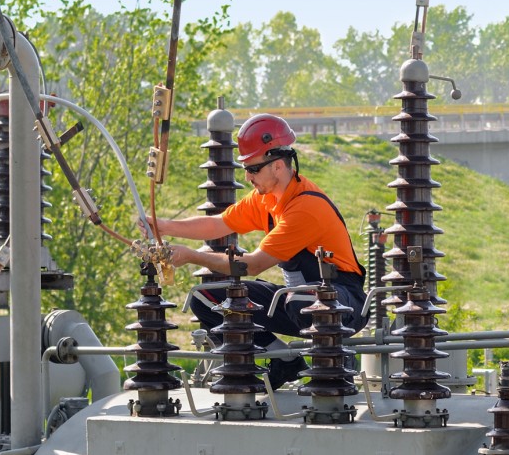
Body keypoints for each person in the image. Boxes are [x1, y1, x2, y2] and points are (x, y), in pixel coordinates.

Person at [148, 113, 367, 389]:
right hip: (293, 302)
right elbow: (218, 224)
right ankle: (285, 360)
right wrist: (162, 226)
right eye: (245, 169)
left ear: (277, 166)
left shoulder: (305, 208)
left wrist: (191, 256)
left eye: (253, 169)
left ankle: (335, 366)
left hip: (343, 304)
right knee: (205, 299)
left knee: (300, 300)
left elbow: (252, 265)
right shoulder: (264, 198)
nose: (247, 177)